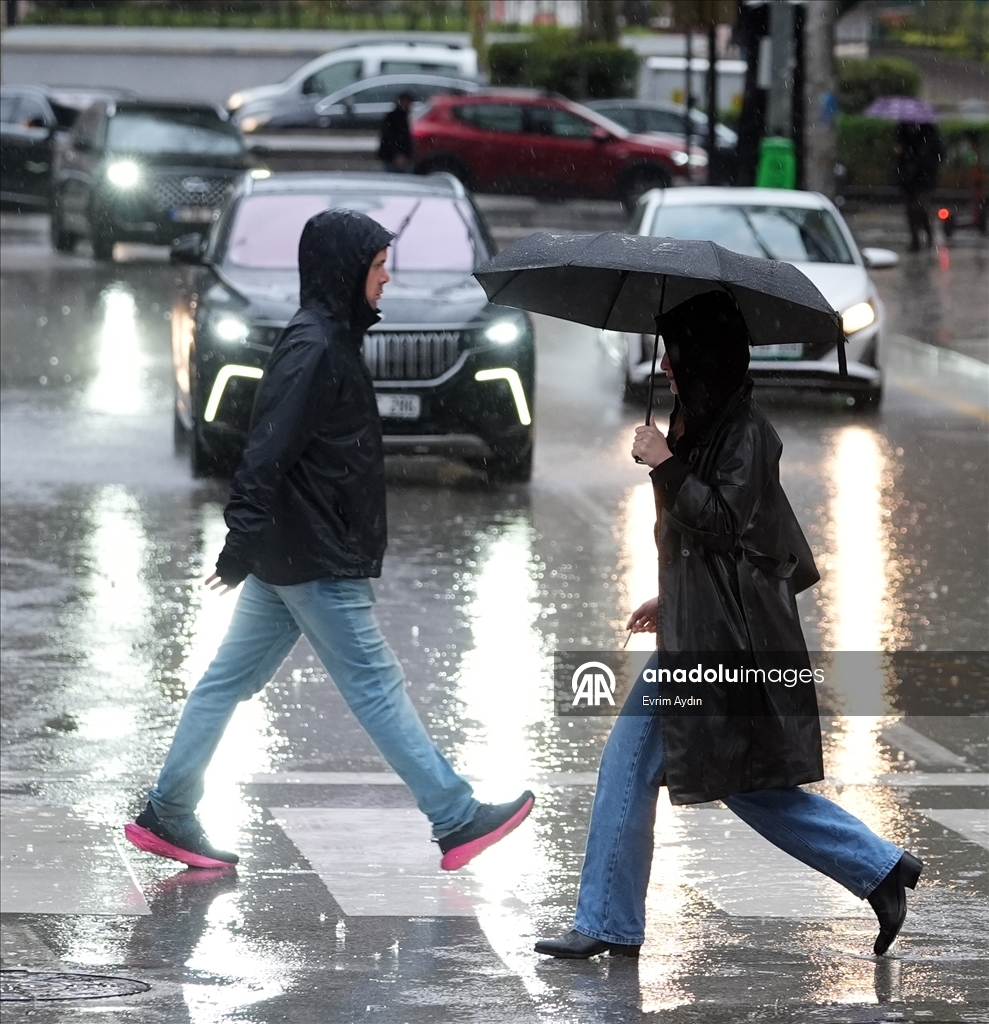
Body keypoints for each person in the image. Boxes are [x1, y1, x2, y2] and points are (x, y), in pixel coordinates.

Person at [125, 209, 534, 872]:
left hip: (292, 551)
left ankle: (168, 812)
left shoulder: (328, 338)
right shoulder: (315, 347)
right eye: (376, 266)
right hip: (313, 554)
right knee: (374, 684)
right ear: (347, 272)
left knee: (226, 681)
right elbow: (266, 448)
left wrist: (252, 542)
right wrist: (240, 537)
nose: (386, 278)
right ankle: (454, 817)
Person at [535, 292, 921, 960]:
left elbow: (721, 522)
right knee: (726, 780)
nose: (664, 370)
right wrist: (670, 597)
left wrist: (662, 464)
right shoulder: (699, 424)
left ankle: (606, 921)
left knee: (665, 768)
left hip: (725, 646)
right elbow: (699, 545)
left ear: (704, 359)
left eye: (674, 356)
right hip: (701, 633)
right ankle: (879, 869)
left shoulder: (745, 434)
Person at [895, 120, 943, 252]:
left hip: (924, 180)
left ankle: (928, 235)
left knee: (920, 207)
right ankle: (915, 239)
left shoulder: (928, 134)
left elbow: (935, 155)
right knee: (911, 210)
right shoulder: (903, 131)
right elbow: (901, 157)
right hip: (908, 180)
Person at [378, 91, 414, 173]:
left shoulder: (401, 117)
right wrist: (398, 154)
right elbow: (391, 137)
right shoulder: (395, 118)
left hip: (395, 155)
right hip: (395, 156)